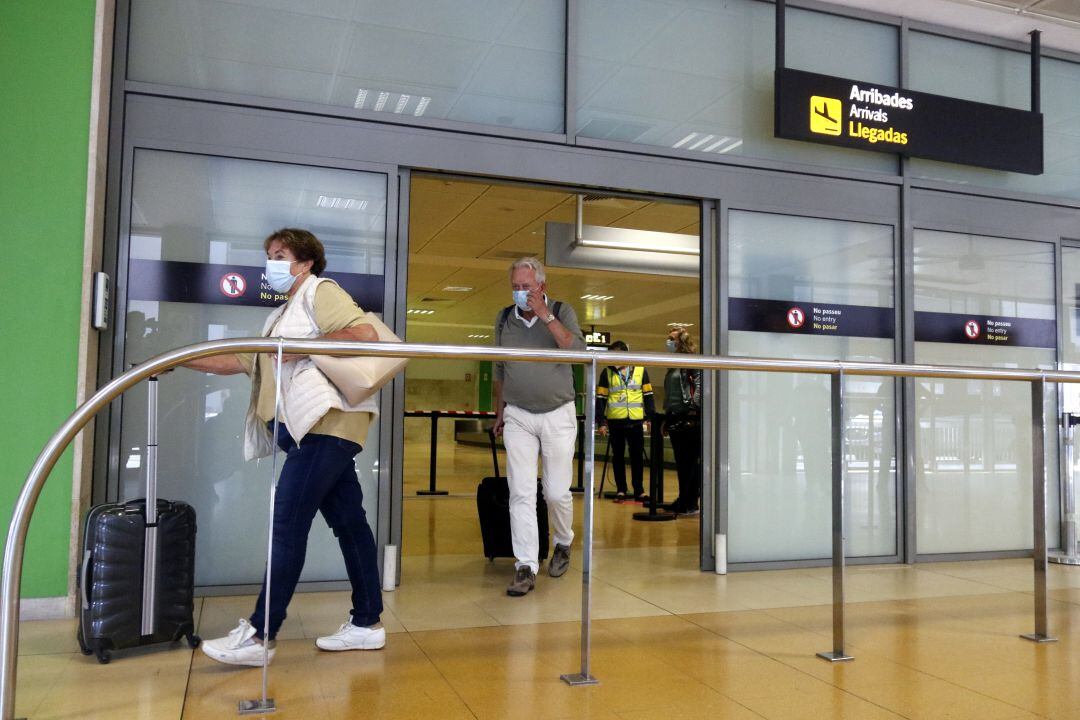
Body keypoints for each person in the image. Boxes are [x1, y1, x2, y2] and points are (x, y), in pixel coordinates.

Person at [183, 228, 386, 666]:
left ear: (306, 262)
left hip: (325, 423)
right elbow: (242, 361)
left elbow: (364, 334)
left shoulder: (320, 291)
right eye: (269, 256)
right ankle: (367, 623)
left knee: (287, 523)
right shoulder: (281, 315)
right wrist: (178, 359)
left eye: (280, 255)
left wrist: (300, 348)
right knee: (350, 524)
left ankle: (260, 635)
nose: (271, 263)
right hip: (310, 428)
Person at [493, 257, 586, 596]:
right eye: (516, 287)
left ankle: (563, 541)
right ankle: (526, 565)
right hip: (518, 414)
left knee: (556, 492)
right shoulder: (504, 318)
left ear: (542, 286)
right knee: (521, 491)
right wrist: (499, 412)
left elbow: (578, 351)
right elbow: (500, 368)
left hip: (558, 413)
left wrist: (545, 315)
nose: (521, 292)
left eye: (527, 287)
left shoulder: (562, 311)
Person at [596, 341, 654, 502]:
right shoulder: (607, 373)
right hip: (616, 422)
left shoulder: (641, 371)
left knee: (637, 456)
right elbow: (600, 399)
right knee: (618, 457)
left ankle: (639, 490)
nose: (613, 359)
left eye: (616, 355)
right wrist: (601, 422)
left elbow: (648, 396)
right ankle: (621, 490)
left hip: (636, 422)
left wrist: (650, 418)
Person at [662, 327, 702, 516]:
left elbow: (699, 387)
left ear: (681, 342)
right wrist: (667, 417)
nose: (668, 342)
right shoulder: (673, 365)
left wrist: (693, 411)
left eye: (672, 339)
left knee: (689, 462)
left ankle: (690, 501)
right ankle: (683, 498)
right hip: (674, 416)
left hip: (689, 417)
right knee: (681, 462)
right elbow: (671, 393)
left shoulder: (692, 363)